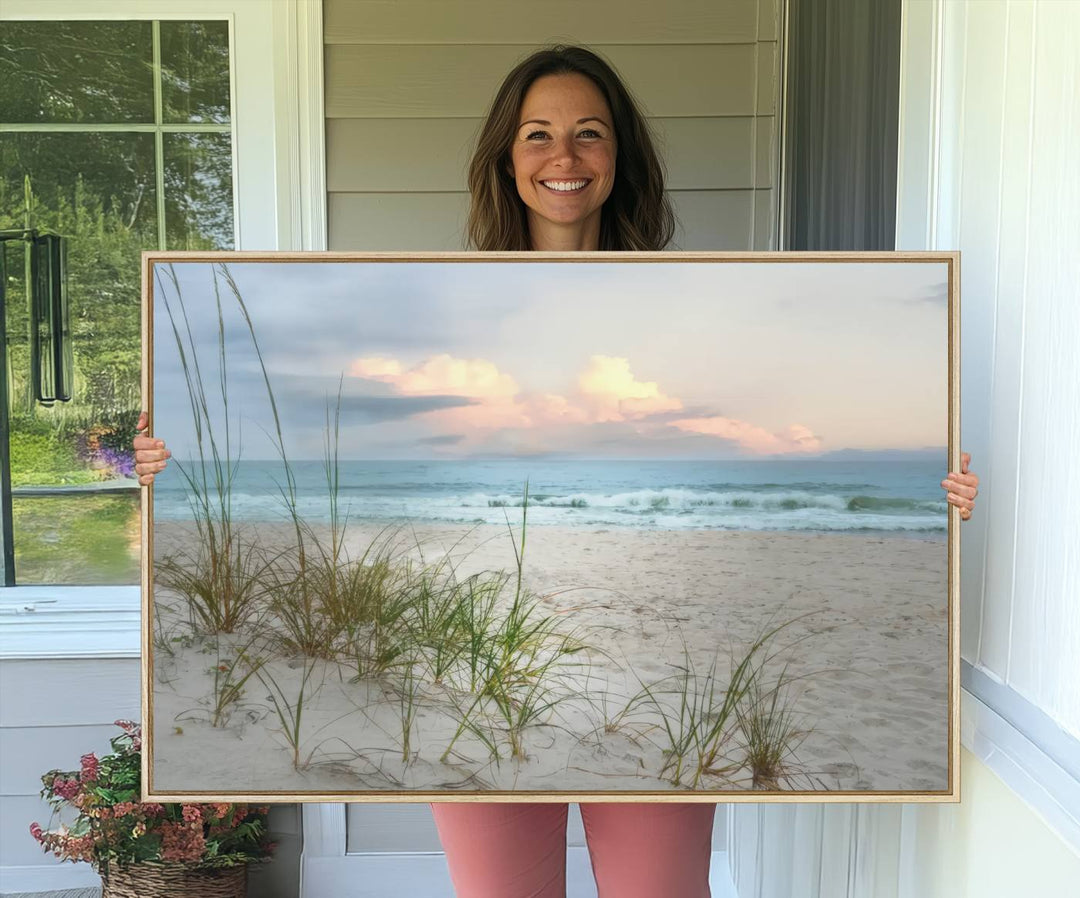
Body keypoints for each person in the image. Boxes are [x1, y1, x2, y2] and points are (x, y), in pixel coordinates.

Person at [134, 45, 980, 898]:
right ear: (507, 158)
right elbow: (334, 437)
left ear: (620, 158)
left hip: (656, 677)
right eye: (538, 135)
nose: (564, 157)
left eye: (589, 134)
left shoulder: (691, 306)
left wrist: (934, 499)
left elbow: (736, 439)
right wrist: (173, 464)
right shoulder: (443, 306)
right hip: (464, 672)